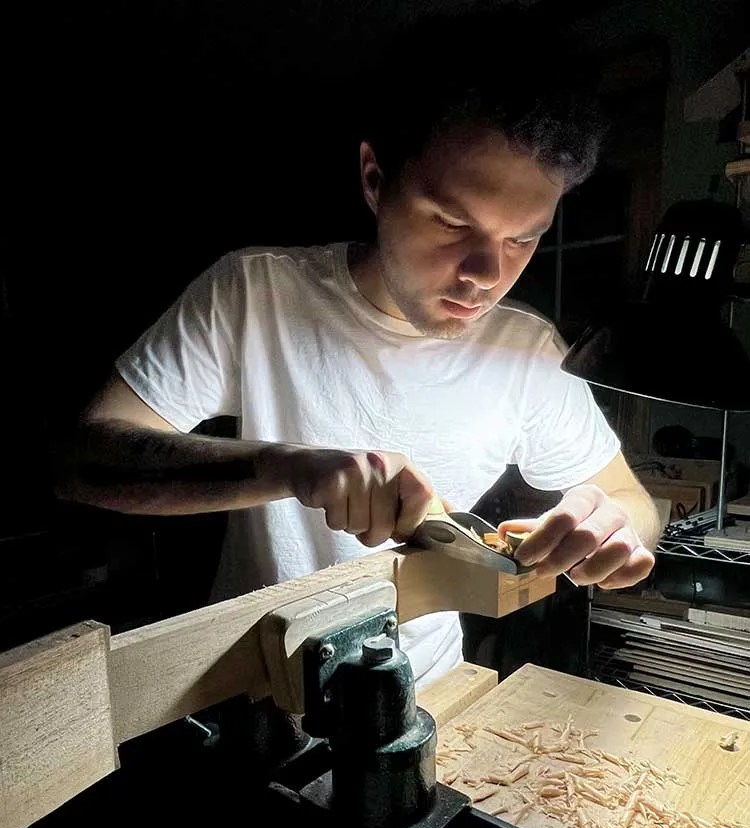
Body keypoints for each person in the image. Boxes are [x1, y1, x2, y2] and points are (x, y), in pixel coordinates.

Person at [57, 10, 660, 689]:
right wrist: (290, 469)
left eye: (523, 238)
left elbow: (630, 500)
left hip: (428, 692)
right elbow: (84, 459)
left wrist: (611, 527)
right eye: (452, 221)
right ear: (375, 179)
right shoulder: (256, 293)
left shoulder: (527, 353)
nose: (485, 273)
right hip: (253, 691)